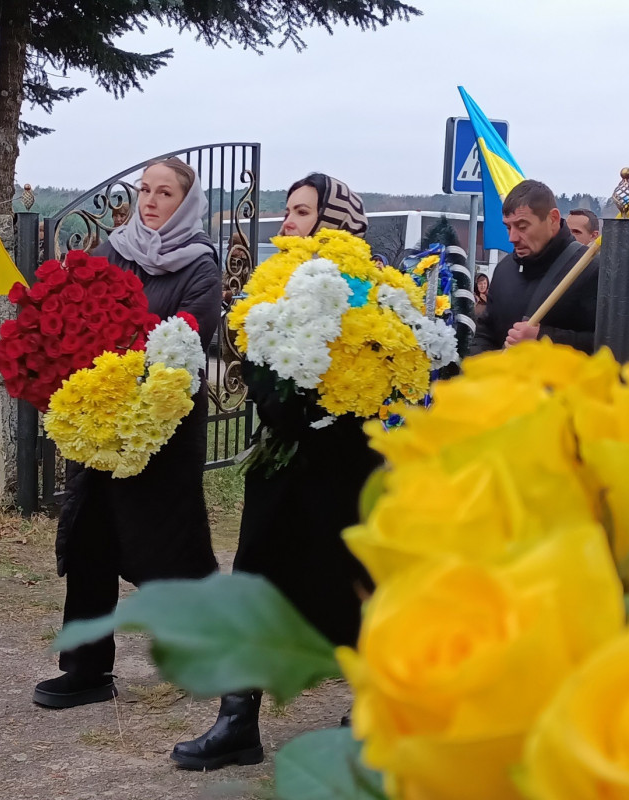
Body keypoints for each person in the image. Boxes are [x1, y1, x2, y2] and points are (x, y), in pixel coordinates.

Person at [170, 173, 375, 771]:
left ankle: (375, 709)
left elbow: (378, 379)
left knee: (356, 583)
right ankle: (238, 723)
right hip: (281, 460)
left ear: (332, 223)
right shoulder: (271, 288)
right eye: (287, 210)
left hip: (346, 467)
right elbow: (266, 383)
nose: (286, 222)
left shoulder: (372, 295)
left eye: (301, 211)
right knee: (256, 575)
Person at [35, 157, 222, 710]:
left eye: (165, 193)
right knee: (90, 538)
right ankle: (87, 669)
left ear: (185, 203)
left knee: (168, 549)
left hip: (160, 431)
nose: (151, 201)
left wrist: (127, 357)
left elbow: (188, 342)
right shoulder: (112, 252)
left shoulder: (200, 267)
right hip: (100, 423)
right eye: (145, 190)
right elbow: (75, 319)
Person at [469, 180, 597, 355]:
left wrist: (543, 337)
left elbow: (612, 345)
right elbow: (485, 333)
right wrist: (480, 371)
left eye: (522, 226)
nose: (512, 238)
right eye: (508, 227)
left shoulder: (591, 270)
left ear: (552, 219)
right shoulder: (503, 269)